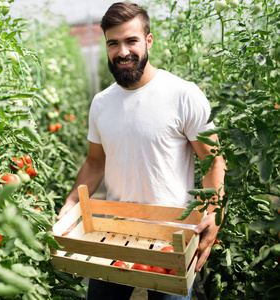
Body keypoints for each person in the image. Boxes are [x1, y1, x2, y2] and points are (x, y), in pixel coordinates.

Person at [56, 2, 226, 300]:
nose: (122, 51)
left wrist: (214, 212)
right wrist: (71, 201)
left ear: (148, 40)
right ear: (106, 46)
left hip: (172, 240)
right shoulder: (101, 103)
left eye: (131, 40)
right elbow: (95, 163)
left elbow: (213, 160)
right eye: (113, 43)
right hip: (113, 236)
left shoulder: (183, 94)